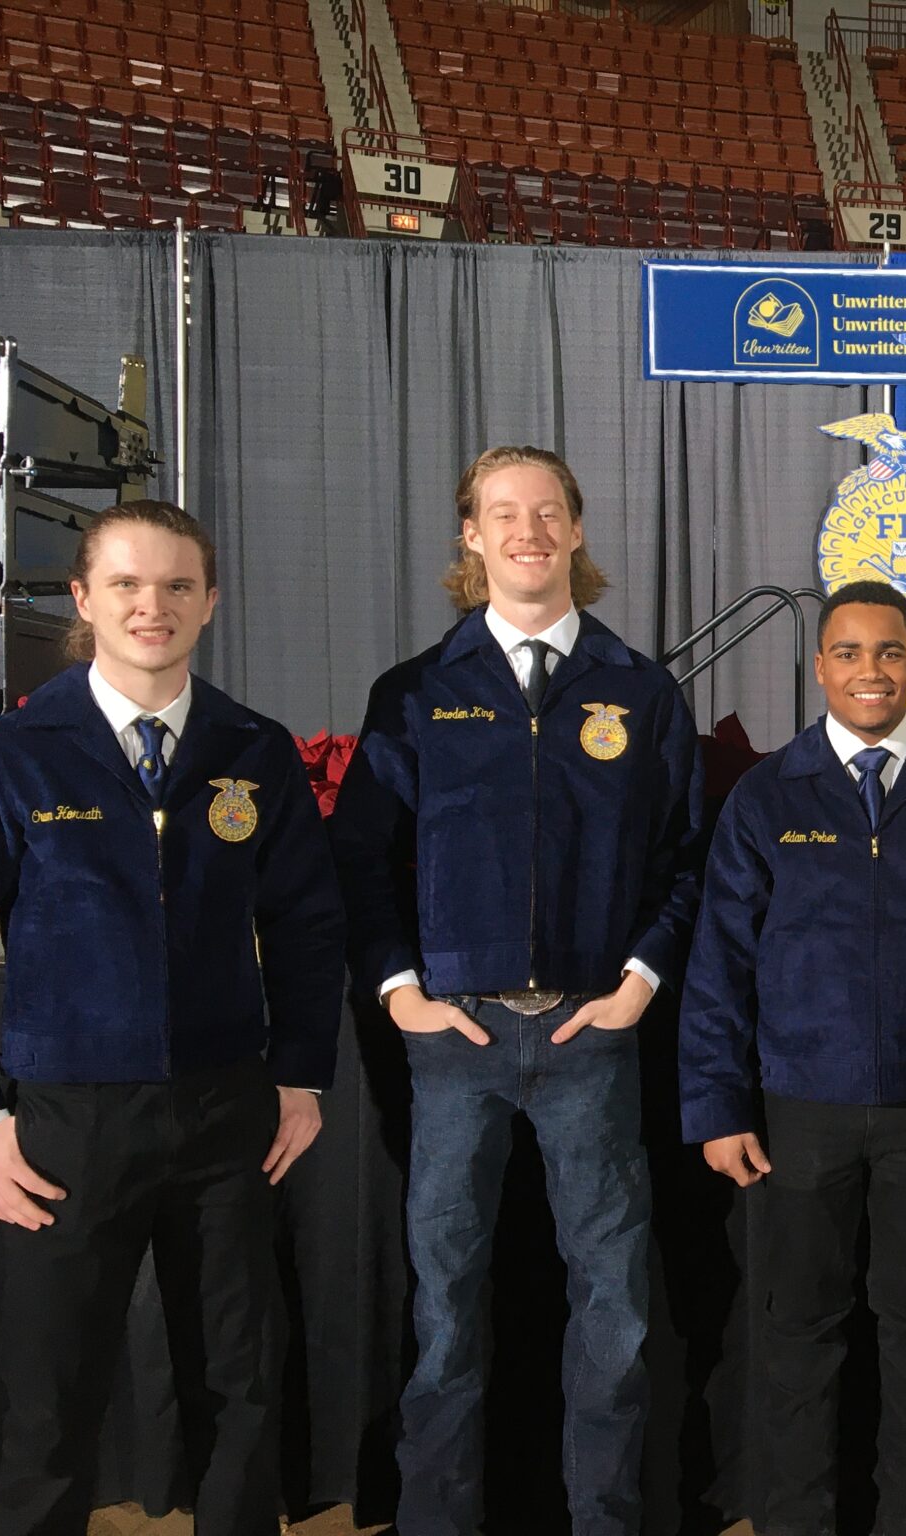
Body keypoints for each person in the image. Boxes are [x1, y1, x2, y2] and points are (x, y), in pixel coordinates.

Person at [330, 445, 703, 1536]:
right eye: (504, 514)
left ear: (577, 532)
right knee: (444, 1316)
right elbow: (363, 856)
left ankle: (606, 1522)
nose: (527, 530)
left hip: (592, 1040)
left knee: (618, 1317)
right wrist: (401, 990)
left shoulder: (637, 690)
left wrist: (638, 981)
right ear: (471, 537)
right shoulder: (414, 694)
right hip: (458, 1047)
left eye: (547, 512)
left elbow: (686, 856)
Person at [0, 501, 343, 1536]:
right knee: (51, 1397)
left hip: (226, 1120)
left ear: (210, 602)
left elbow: (308, 926)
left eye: (176, 585)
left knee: (241, 1390)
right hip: (65, 1123)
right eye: (126, 584)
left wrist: (302, 1076)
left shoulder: (251, 750)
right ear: (83, 600)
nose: (151, 606)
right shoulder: (11, 756)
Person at [679, 579, 906, 1536]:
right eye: (849, 653)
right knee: (796, 1340)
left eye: (889, 652)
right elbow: (717, 963)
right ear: (820, 668)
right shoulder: (766, 797)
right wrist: (716, 1105)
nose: (870, 671)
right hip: (797, 1115)